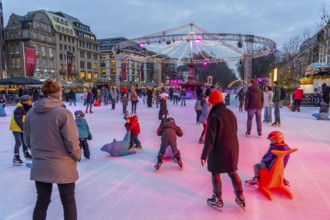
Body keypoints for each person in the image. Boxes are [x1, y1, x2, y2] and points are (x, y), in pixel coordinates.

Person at [23, 79, 81, 220]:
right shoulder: (63, 113)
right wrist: (77, 156)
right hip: (62, 164)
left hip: (40, 164)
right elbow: (72, 141)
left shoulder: (31, 112)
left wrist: (37, 153)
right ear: (59, 93)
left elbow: (27, 139)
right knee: (68, 201)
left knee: (42, 200)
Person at [200, 90, 245, 210]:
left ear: (213, 103)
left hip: (219, 149)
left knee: (215, 173)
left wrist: (204, 156)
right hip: (232, 148)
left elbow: (210, 139)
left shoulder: (214, 116)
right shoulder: (230, 113)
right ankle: (240, 196)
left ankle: (217, 198)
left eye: (210, 103)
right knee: (232, 172)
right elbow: (234, 130)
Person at [9, 94, 33, 165]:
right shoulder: (19, 108)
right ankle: (16, 157)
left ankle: (26, 153)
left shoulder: (28, 107)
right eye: (29, 100)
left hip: (23, 127)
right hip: (16, 127)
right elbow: (18, 119)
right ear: (24, 102)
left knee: (25, 141)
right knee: (18, 141)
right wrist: (23, 128)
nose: (31, 101)